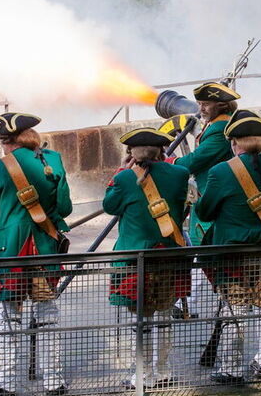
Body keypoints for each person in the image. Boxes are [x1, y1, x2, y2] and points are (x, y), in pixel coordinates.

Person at [0, 112, 72, 396]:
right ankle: (53, 380)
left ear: (6, 140)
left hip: (10, 251)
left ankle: (8, 381)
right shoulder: (51, 161)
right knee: (48, 316)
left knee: (10, 318)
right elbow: (64, 208)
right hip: (45, 247)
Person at [195, 110, 261, 384]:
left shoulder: (220, 171)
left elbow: (205, 213)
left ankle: (231, 367)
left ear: (234, 142)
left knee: (235, 309)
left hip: (232, 253)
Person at [104, 128, 191, 390]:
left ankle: (141, 375)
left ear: (131, 153)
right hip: (168, 254)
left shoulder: (124, 178)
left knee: (139, 319)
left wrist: (120, 171)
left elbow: (110, 206)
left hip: (134, 256)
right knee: (164, 314)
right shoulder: (180, 174)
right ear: (161, 150)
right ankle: (163, 370)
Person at [172, 82, 239, 315]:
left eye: (206, 104)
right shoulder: (218, 124)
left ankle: (228, 301)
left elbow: (196, 160)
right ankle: (188, 303)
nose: (201, 108)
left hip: (214, 198)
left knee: (206, 252)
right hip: (210, 193)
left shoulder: (220, 130)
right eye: (200, 103)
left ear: (221, 105)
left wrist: (167, 165)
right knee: (203, 253)